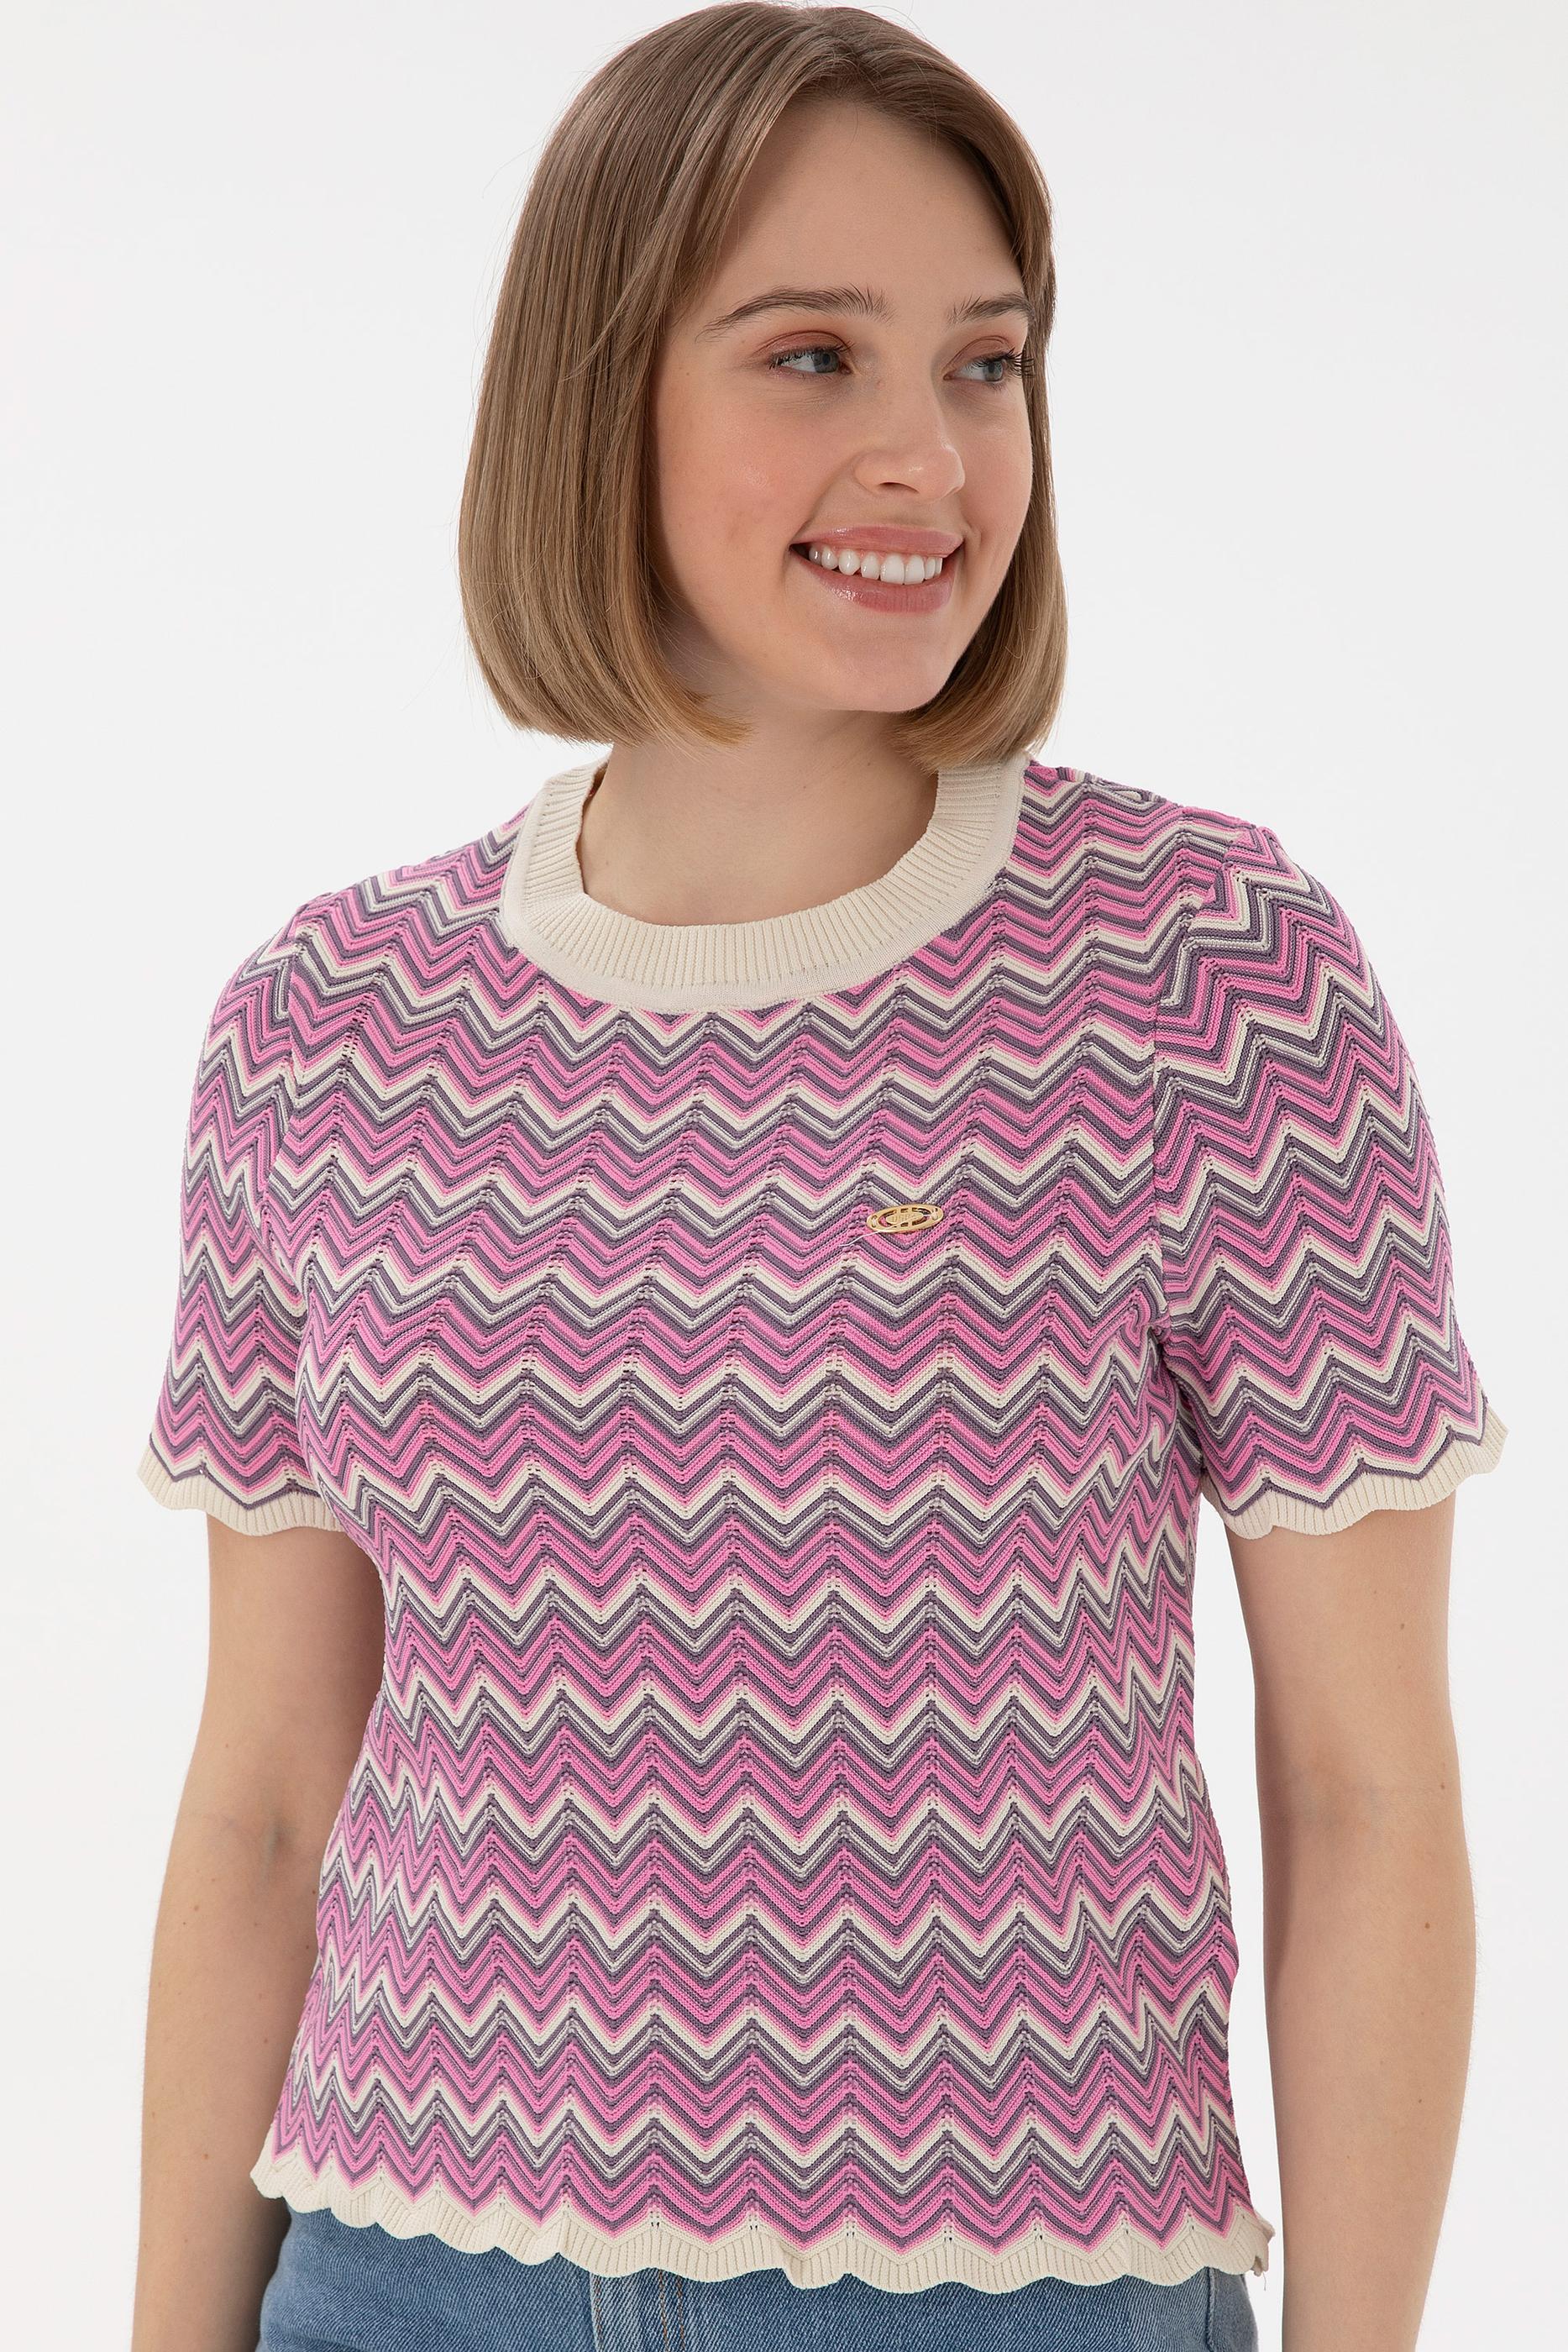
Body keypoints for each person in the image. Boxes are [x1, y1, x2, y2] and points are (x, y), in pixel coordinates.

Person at [129, 8, 1508, 2351]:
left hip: (1020, 2294)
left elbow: (1364, 1793)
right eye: (810, 355)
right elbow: (266, 1793)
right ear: (597, 394)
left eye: (986, 363)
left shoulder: (1203, 972)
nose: (930, 457)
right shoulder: (327, 1025)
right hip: (393, 2279)